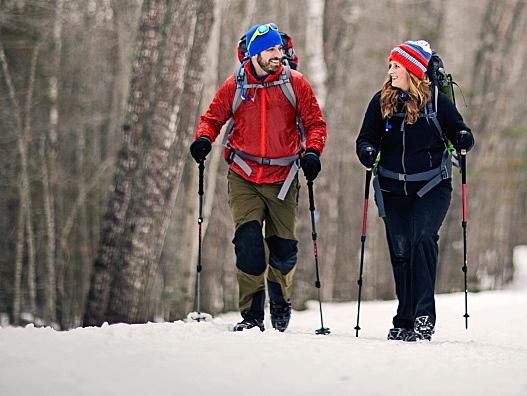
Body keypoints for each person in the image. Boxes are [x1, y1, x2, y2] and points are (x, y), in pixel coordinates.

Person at [190, 23, 326, 332]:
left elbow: (315, 123)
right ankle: (251, 315)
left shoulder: (296, 83)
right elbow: (212, 118)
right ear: (255, 54)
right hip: (244, 175)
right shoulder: (235, 85)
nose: (280, 55)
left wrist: (313, 152)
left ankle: (279, 298)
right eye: (272, 50)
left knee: (284, 249)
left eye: (280, 49)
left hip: (284, 176)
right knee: (248, 244)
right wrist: (204, 139)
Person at [355, 40, 474, 341]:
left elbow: (462, 133)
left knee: (422, 241)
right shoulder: (381, 101)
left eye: (396, 65)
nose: (390, 70)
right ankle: (404, 318)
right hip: (391, 187)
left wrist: (462, 138)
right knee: (401, 251)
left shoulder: (436, 102)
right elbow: (364, 138)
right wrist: (368, 150)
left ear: (412, 69)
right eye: (390, 65)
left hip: (432, 186)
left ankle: (423, 317)